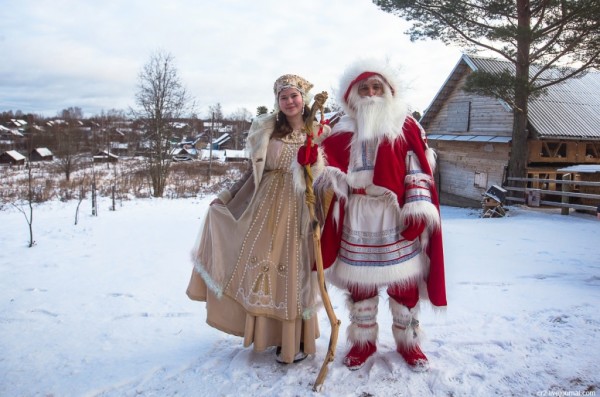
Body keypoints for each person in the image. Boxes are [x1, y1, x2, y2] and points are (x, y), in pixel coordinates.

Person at [186, 74, 330, 364]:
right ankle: (269, 335)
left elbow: (328, 175)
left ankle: (295, 340)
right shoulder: (267, 132)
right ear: (277, 102)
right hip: (263, 209)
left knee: (295, 271)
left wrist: (315, 165)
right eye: (283, 97)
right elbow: (252, 173)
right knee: (261, 270)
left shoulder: (319, 131)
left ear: (303, 99)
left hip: (300, 208)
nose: (289, 101)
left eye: (294, 95)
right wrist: (226, 197)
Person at [314, 59, 447, 371]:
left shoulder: (406, 125)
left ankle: (409, 344)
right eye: (364, 88)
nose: (371, 93)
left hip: (393, 214)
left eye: (377, 87)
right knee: (360, 285)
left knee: (405, 284)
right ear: (352, 95)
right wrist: (309, 160)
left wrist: (416, 208)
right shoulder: (337, 126)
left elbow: (418, 170)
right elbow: (318, 171)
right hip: (356, 213)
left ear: (388, 91)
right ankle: (363, 343)